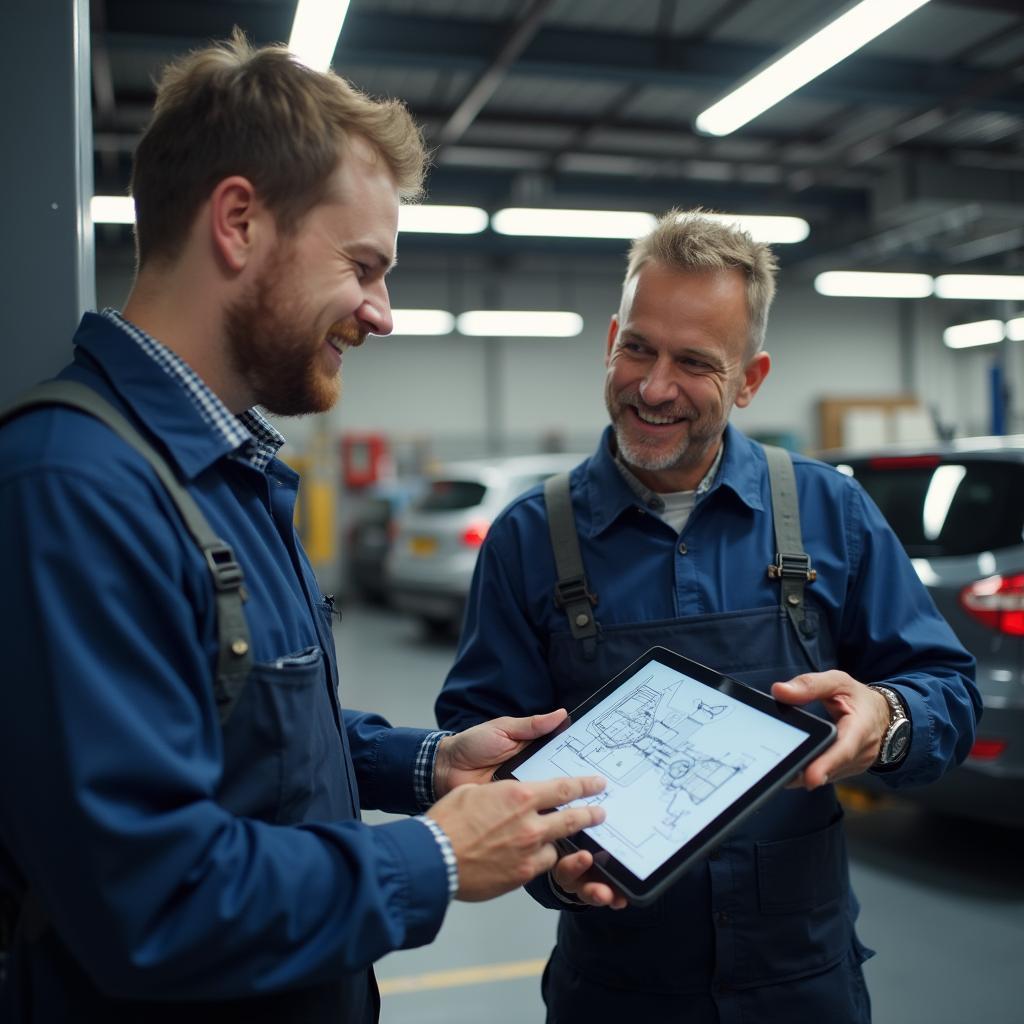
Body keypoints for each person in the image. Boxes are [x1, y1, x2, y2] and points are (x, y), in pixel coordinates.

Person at [0, 33, 609, 1023]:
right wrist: (440, 853)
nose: (382, 312)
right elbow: (153, 897)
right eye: (364, 266)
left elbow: (246, 738)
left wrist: (425, 766)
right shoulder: (76, 486)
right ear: (238, 222)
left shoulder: (224, 470)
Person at [436, 209, 981, 1023]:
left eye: (694, 362)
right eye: (638, 348)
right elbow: (482, 746)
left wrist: (890, 719)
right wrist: (551, 867)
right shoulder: (528, 540)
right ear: (611, 337)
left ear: (751, 379)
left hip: (803, 985)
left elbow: (948, 691)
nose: (655, 388)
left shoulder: (832, 513)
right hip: (616, 990)